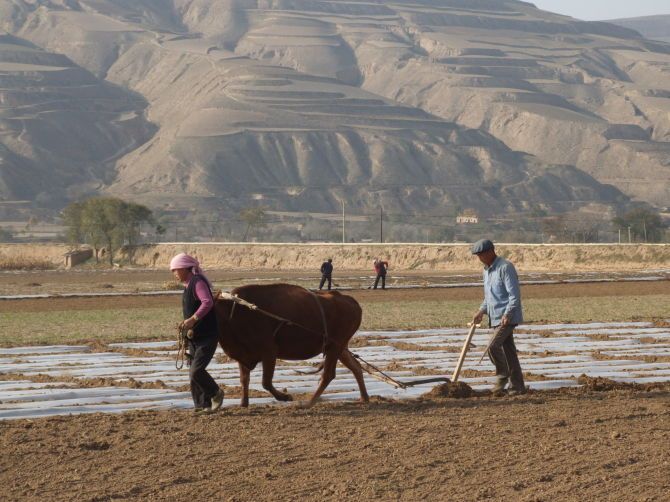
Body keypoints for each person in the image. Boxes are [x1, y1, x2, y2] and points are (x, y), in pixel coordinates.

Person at [170, 253, 225, 413]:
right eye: (173, 271)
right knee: (192, 373)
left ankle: (216, 393)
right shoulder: (188, 286)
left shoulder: (197, 282)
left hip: (207, 335)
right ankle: (202, 406)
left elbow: (207, 302)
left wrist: (193, 319)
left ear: (186, 269)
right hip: (194, 336)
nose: (174, 274)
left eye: (176, 270)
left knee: (197, 370)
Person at [471, 239, 526, 395]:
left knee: (492, 346)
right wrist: (481, 311)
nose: (479, 258)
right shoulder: (486, 270)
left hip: (506, 317)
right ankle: (517, 387)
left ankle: (502, 376)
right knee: (509, 352)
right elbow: (489, 297)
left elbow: (514, 295)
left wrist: (508, 313)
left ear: (490, 252)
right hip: (495, 317)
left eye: (481, 255)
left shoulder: (505, 267)